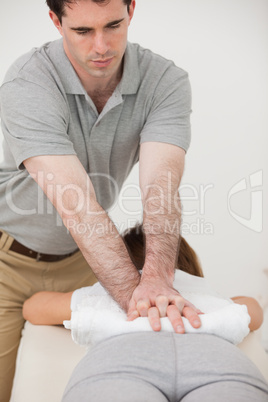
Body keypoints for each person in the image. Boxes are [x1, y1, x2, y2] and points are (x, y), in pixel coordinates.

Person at [0, 0, 200, 398]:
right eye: (83, 31)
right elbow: (76, 204)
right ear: (56, 21)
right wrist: (135, 299)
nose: (102, 46)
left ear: (132, 10)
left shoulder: (165, 81)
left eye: (114, 24)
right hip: (6, 260)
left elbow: (160, 188)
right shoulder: (28, 83)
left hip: (85, 259)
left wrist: (157, 282)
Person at [22, 226, 268, 402]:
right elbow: (253, 312)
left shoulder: (105, 296)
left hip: (123, 360)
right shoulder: (205, 296)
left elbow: (33, 308)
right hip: (217, 361)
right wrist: (226, 302)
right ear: (188, 264)